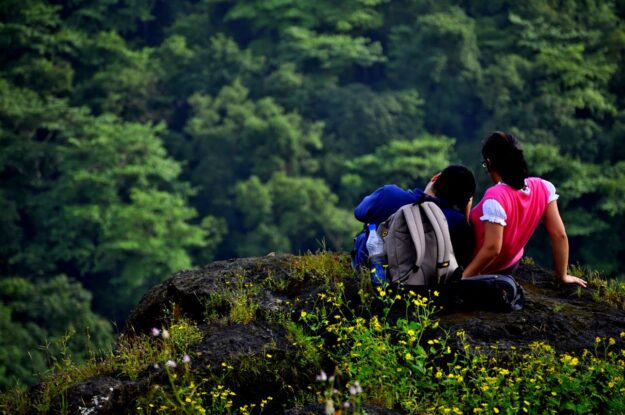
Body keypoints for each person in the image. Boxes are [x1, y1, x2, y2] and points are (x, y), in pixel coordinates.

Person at [462, 131, 587, 287]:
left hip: (483, 270)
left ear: (489, 162)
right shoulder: (543, 188)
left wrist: (464, 277)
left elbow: (493, 248)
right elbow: (559, 235)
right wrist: (562, 275)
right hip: (510, 265)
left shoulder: (495, 197)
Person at [353, 165, 476, 269]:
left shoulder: (389, 195)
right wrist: (465, 215)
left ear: (436, 178)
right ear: (465, 201)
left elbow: (359, 212)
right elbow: (463, 259)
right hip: (426, 288)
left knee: (367, 233)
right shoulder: (458, 224)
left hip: (379, 277)